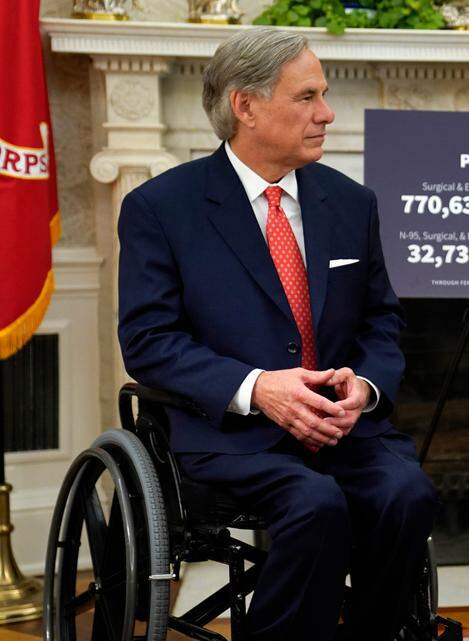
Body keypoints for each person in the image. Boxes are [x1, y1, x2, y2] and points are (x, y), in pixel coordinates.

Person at [117, 28, 438, 641]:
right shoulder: (161, 208)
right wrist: (259, 387)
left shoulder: (352, 202)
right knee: (315, 506)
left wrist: (363, 388)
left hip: (341, 428)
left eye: (324, 94)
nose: (327, 113)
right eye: (307, 96)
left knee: (407, 495)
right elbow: (150, 340)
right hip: (232, 434)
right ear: (246, 106)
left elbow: (381, 320)